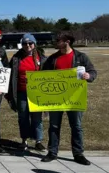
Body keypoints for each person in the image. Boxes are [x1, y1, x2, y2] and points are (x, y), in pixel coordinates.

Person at [41, 33, 97, 165]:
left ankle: (78, 154)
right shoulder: (53, 59)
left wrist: (88, 76)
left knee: (76, 126)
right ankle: (52, 152)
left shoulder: (80, 57)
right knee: (54, 126)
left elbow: (93, 72)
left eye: (58, 40)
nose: (55, 42)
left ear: (67, 42)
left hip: (75, 98)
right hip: (56, 98)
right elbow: (43, 75)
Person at [6, 33, 46, 152]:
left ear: (34, 44)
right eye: (24, 43)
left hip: (36, 93)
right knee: (23, 117)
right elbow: (9, 74)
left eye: (30, 43)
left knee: (37, 117)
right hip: (21, 92)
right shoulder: (16, 58)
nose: (27, 45)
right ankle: (24, 140)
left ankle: (38, 140)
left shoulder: (41, 57)